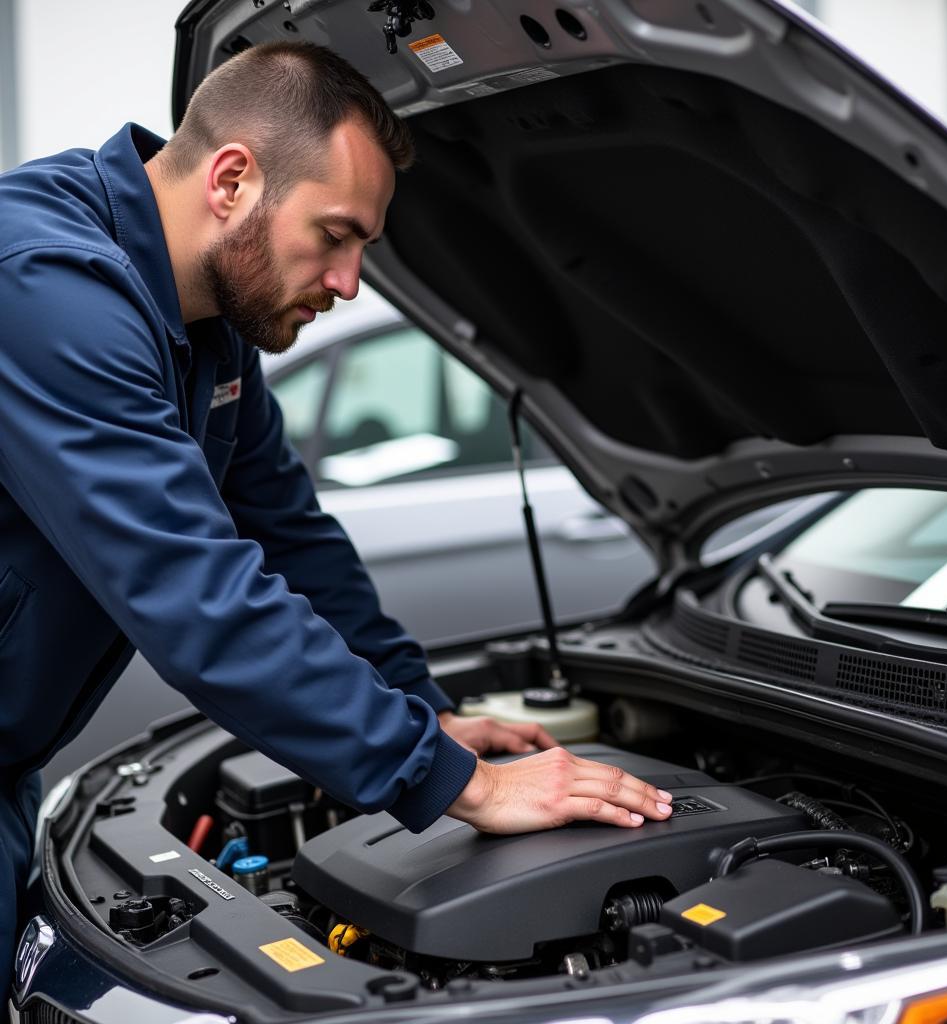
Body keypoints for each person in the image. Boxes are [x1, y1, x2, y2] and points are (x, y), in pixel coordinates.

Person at [0, 41, 673, 998]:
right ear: (233, 179)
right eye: (336, 234)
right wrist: (454, 785)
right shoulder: (46, 288)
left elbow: (287, 533)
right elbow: (194, 593)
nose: (351, 281)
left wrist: (427, 714)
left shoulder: (207, 326)